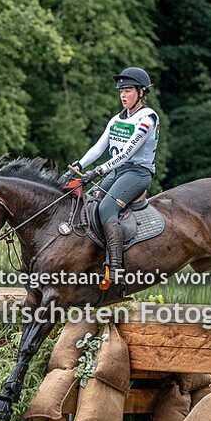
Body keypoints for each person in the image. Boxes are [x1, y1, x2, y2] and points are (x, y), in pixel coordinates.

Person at [64, 66, 159, 291]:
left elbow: (127, 153)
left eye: (128, 91)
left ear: (141, 92)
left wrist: (97, 171)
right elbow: (98, 148)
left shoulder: (147, 118)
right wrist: (78, 166)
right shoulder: (117, 119)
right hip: (116, 172)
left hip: (137, 173)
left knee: (107, 207)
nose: (123, 96)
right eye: (121, 92)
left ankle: (116, 267)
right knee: (87, 201)